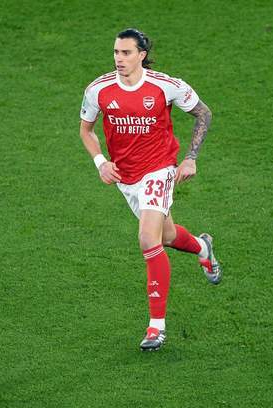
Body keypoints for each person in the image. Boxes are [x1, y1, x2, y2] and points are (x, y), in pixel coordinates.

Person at [79, 28, 222, 351]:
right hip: (126, 177)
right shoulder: (98, 90)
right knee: (166, 236)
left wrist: (190, 158)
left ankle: (156, 327)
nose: (119, 59)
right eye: (116, 52)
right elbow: (86, 130)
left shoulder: (165, 86)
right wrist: (101, 162)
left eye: (126, 53)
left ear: (141, 55)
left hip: (159, 169)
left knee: (147, 239)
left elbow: (203, 113)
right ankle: (203, 247)